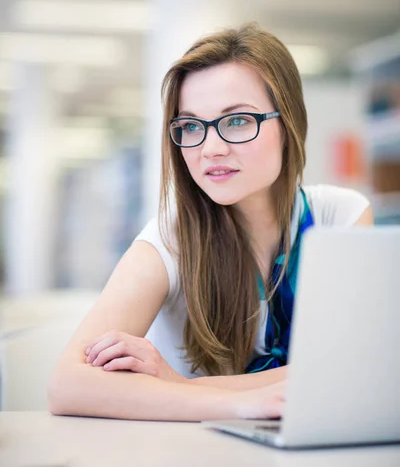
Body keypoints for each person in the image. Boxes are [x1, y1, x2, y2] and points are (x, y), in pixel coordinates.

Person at [48, 23, 373, 421]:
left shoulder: (341, 217)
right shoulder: (168, 241)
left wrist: (177, 388)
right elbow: (67, 385)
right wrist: (242, 403)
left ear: (288, 124)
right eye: (191, 126)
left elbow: (356, 370)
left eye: (237, 121)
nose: (211, 148)